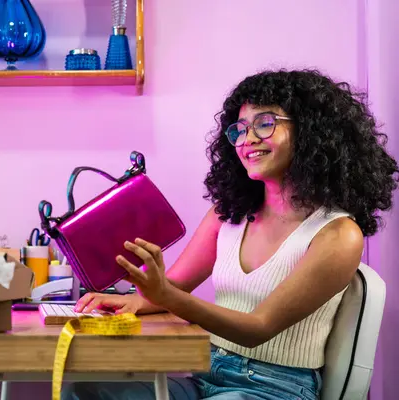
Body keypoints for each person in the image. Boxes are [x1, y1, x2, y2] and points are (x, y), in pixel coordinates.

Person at [61, 69, 399, 400]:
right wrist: (134, 301)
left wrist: (164, 295)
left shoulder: (338, 234)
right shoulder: (229, 215)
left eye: (265, 124)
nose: (247, 140)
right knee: (87, 391)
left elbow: (259, 328)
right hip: (207, 372)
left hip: (277, 387)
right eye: (239, 129)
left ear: (312, 132)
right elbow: (174, 287)